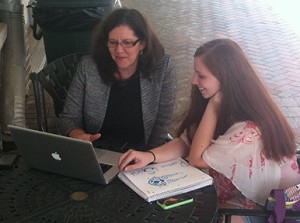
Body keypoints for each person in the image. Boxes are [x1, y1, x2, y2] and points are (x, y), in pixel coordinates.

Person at [118, 38, 300, 220]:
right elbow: (186, 142)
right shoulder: (224, 107)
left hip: (273, 212)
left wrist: (213, 107)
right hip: (242, 201)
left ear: (226, 79)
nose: (193, 80)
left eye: (201, 75)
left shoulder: (249, 129)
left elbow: (197, 159)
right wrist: (150, 156)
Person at [57, 8, 176, 151]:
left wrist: (148, 158)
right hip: (97, 152)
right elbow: (68, 118)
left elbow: (160, 128)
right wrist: (78, 135)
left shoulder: (162, 69)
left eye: (127, 42)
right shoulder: (89, 67)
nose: (119, 50)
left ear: (142, 44)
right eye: (113, 42)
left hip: (141, 154)